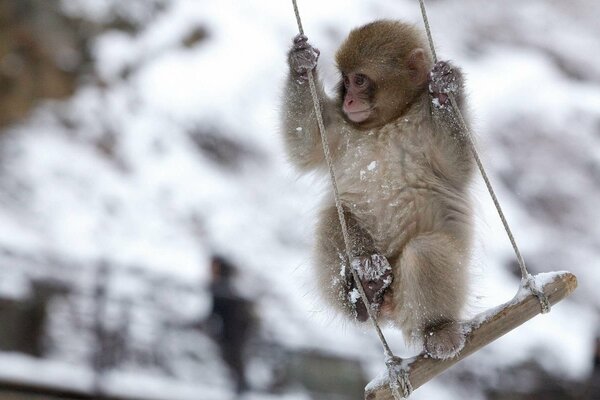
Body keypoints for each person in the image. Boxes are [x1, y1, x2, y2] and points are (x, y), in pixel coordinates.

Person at [207, 255, 255, 394]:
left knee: (234, 354)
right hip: (230, 326)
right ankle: (240, 384)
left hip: (235, 326)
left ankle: (241, 385)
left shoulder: (224, 284)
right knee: (231, 355)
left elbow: (219, 307)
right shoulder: (221, 284)